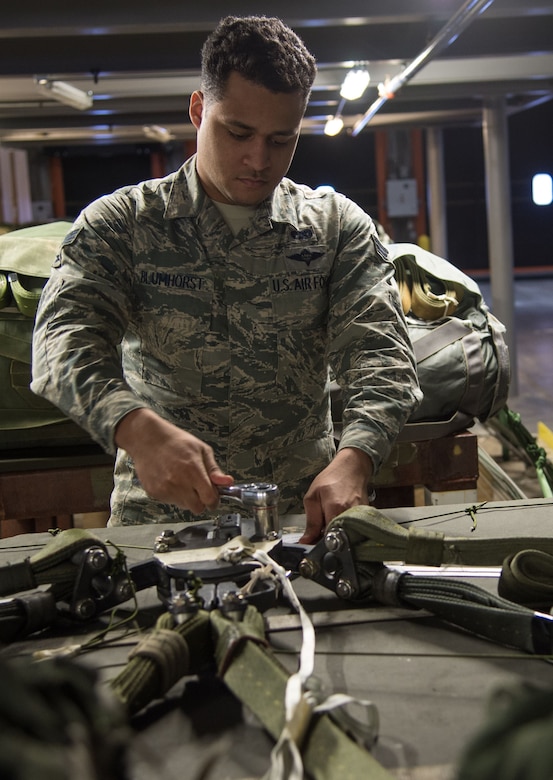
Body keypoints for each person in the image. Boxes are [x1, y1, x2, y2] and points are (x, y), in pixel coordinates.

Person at [31, 15, 421, 542]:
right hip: (161, 526)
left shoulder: (334, 229)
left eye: (281, 140)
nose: (258, 159)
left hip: (300, 519)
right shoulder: (123, 224)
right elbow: (61, 343)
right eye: (237, 132)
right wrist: (138, 432)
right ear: (198, 110)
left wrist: (356, 459)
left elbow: (383, 358)